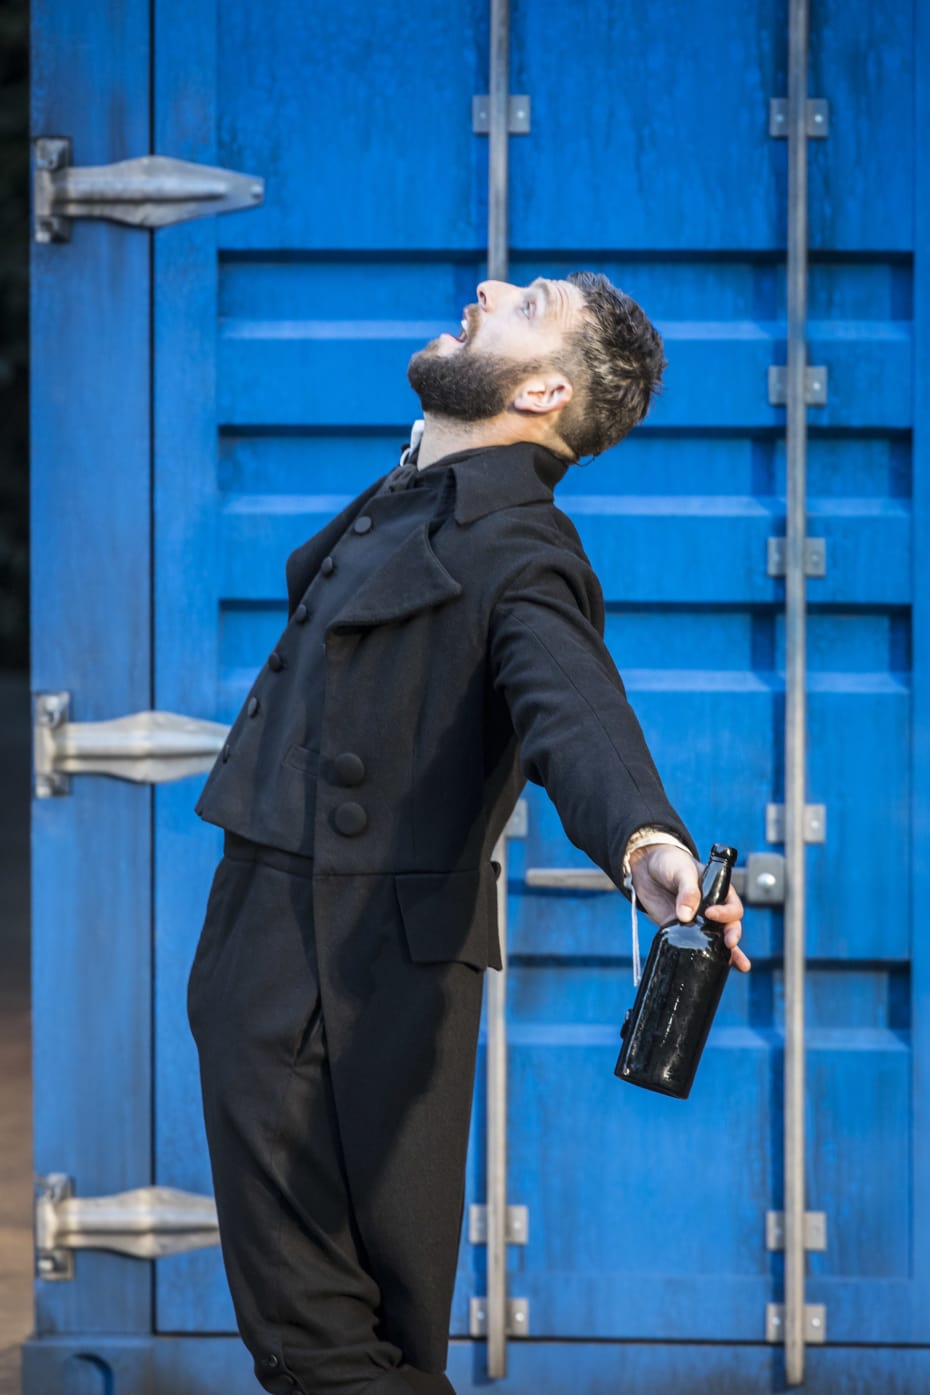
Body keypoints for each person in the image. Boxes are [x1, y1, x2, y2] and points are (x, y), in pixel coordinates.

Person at [186, 270, 750, 1395]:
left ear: (541, 392)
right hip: (306, 949)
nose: (489, 287)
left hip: (332, 968)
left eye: (528, 303)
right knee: (349, 1333)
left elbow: (572, 705)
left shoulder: (522, 549)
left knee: (323, 1342)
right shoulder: (431, 490)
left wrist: (646, 841)